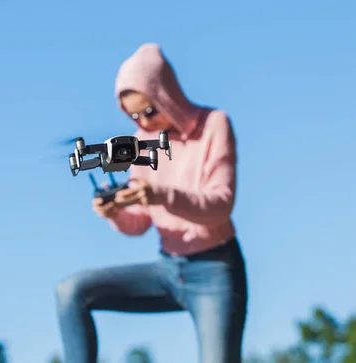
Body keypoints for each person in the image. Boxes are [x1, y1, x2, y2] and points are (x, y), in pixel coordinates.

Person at [55, 43, 248, 363]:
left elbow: (221, 205)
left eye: (149, 110)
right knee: (71, 291)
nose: (143, 122)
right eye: (134, 115)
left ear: (166, 95)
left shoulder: (214, 125)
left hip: (216, 271)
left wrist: (160, 195)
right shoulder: (141, 143)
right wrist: (116, 212)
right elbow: (139, 224)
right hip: (167, 269)